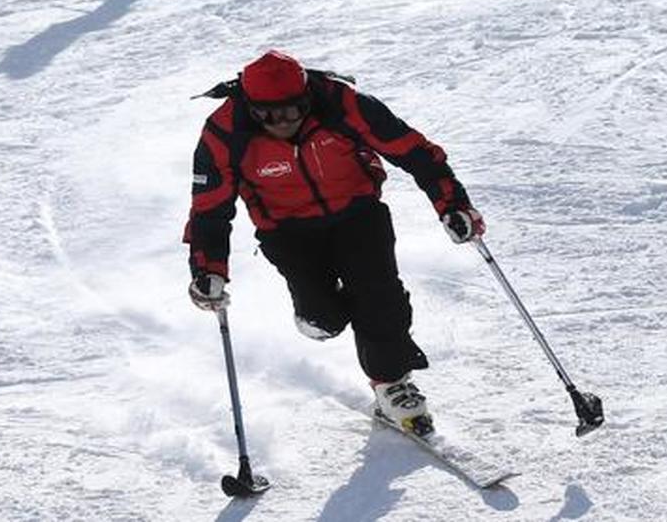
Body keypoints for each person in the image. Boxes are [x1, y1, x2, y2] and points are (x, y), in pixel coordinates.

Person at [183, 51, 485, 436]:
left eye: (293, 111)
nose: (283, 124)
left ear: (307, 96)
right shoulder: (225, 132)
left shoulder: (342, 104)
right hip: (287, 231)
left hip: (358, 214)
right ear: (251, 107)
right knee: (324, 317)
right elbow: (209, 208)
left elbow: (415, 152)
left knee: (378, 295)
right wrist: (208, 270)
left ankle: (391, 382)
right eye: (269, 116)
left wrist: (453, 205)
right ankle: (319, 315)